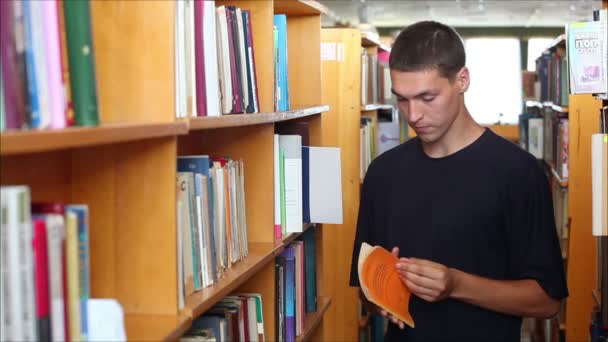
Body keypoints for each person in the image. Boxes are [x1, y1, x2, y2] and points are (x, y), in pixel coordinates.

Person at [349, 21, 568, 342]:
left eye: (427, 97)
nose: (413, 115)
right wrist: (381, 294)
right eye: (403, 99)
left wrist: (456, 285)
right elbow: (363, 295)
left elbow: (547, 301)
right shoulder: (382, 174)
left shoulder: (517, 172)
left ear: (462, 80)